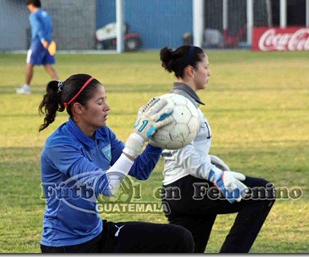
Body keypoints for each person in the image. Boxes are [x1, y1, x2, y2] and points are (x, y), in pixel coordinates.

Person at [38, 73, 194, 253]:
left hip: (97, 234)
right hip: (65, 246)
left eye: (105, 100)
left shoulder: (102, 133)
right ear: (79, 108)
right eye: (99, 102)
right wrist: (136, 139)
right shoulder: (59, 144)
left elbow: (139, 169)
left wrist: (157, 139)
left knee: (180, 238)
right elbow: (106, 186)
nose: (107, 107)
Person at [159, 45, 276, 253]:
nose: (209, 72)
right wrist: (217, 176)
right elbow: (184, 155)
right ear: (191, 71)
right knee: (262, 192)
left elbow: (186, 151)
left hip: (181, 190)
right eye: (206, 66)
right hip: (187, 188)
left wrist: (211, 162)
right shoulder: (180, 105)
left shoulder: (182, 103)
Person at [16, 0, 58, 95]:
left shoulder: (34, 15)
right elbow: (50, 28)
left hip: (38, 42)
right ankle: (60, 85)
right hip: (48, 41)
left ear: (31, 5)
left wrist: (43, 39)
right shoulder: (46, 14)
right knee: (47, 65)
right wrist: (48, 40)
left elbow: (38, 27)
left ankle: (26, 87)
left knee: (29, 64)